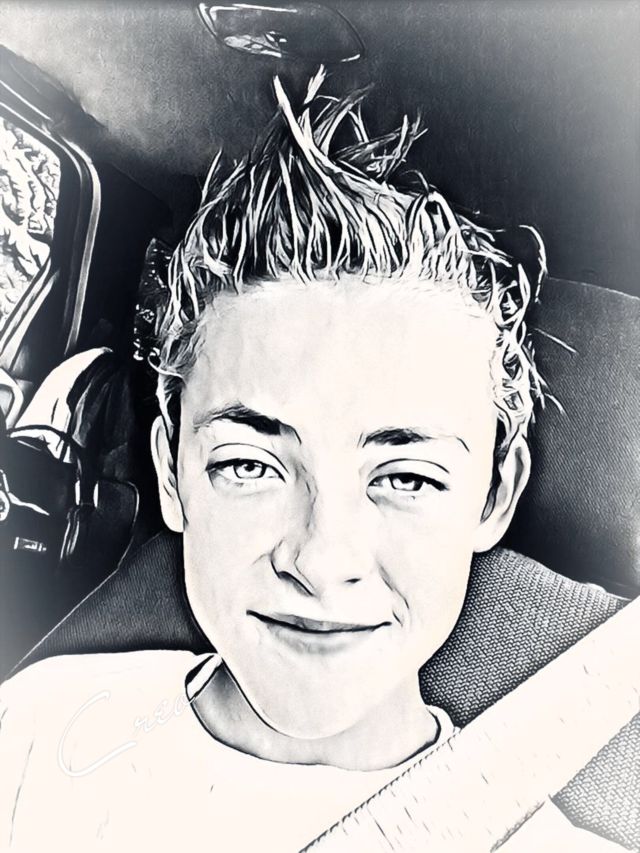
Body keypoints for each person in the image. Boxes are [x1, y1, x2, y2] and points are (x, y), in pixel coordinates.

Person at [0, 72, 626, 851]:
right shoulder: (29, 734)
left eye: (407, 477)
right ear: (171, 474)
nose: (323, 561)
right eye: (250, 465)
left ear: (494, 495)